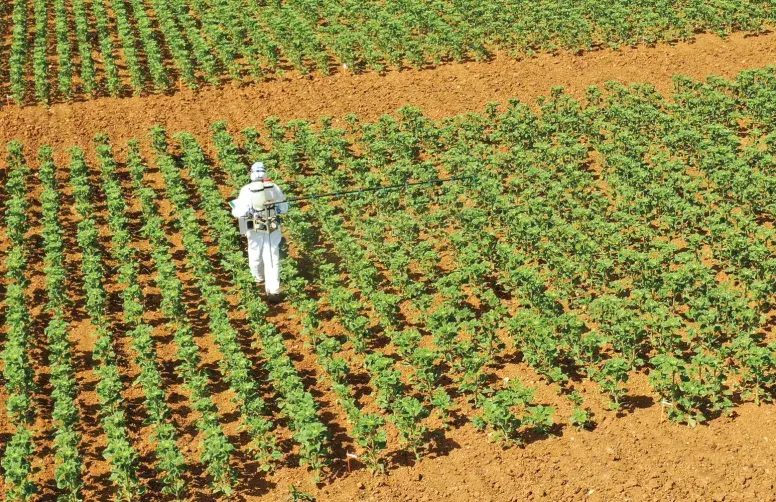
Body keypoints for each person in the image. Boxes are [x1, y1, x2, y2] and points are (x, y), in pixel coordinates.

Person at [231, 162, 289, 302]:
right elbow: (284, 208)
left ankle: (257, 277)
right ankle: (274, 291)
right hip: (272, 223)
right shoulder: (273, 187)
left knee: (254, 250)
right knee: (271, 254)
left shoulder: (246, 189)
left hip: (253, 223)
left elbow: (240, 212)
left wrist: (235, 209)